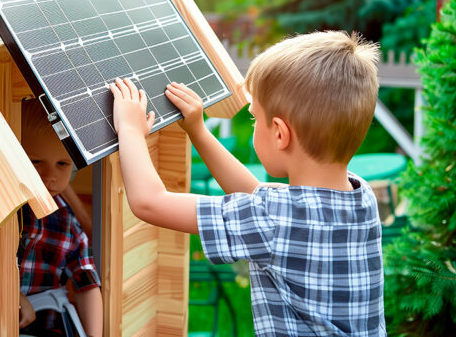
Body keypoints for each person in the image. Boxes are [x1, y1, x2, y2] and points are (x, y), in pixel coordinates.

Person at [110, 31, 386, 336]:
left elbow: (150, 202)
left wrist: (130, 130)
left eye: (255, 119)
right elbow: (256, 194)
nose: (253, 125)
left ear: (280, 134)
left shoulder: (271, 218)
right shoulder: (360, 197)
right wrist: (199, 132)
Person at [18, 99, 102, 336]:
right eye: (36, 162)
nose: (50, 176)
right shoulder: (4, 212)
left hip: (48, 326)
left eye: (62, 164)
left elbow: (86, 281)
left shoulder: (66, 222)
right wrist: (13, 294)